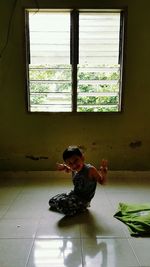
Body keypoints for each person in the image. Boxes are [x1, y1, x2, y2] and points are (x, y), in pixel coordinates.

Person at [49, 146, 108, 216]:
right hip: (74, 195)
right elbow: (68, 169)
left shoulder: (90, 170)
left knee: (61, 203)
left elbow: (102, 182)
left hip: (83, 201)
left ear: (82, 158)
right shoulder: (74, 169)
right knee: (51, 201)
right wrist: (64, 167)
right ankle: (66, 204)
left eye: (76, 160)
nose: (74, 165)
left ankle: (79, 208)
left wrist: (103, 173)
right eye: (70, 163)